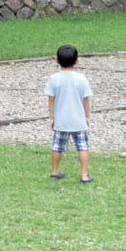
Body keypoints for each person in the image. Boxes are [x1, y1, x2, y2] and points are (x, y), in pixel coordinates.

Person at [45, 45, 93, 182]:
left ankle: (55, 172)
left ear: (57, 60)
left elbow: (51, 98)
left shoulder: (54, 79)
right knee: (83, 147)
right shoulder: (81, 79)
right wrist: (87, 116)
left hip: (61, 120)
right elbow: (86, 99)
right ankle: (84, 175)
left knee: (57, 147)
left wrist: (52, 117)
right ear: (77, 61)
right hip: (78, 120)